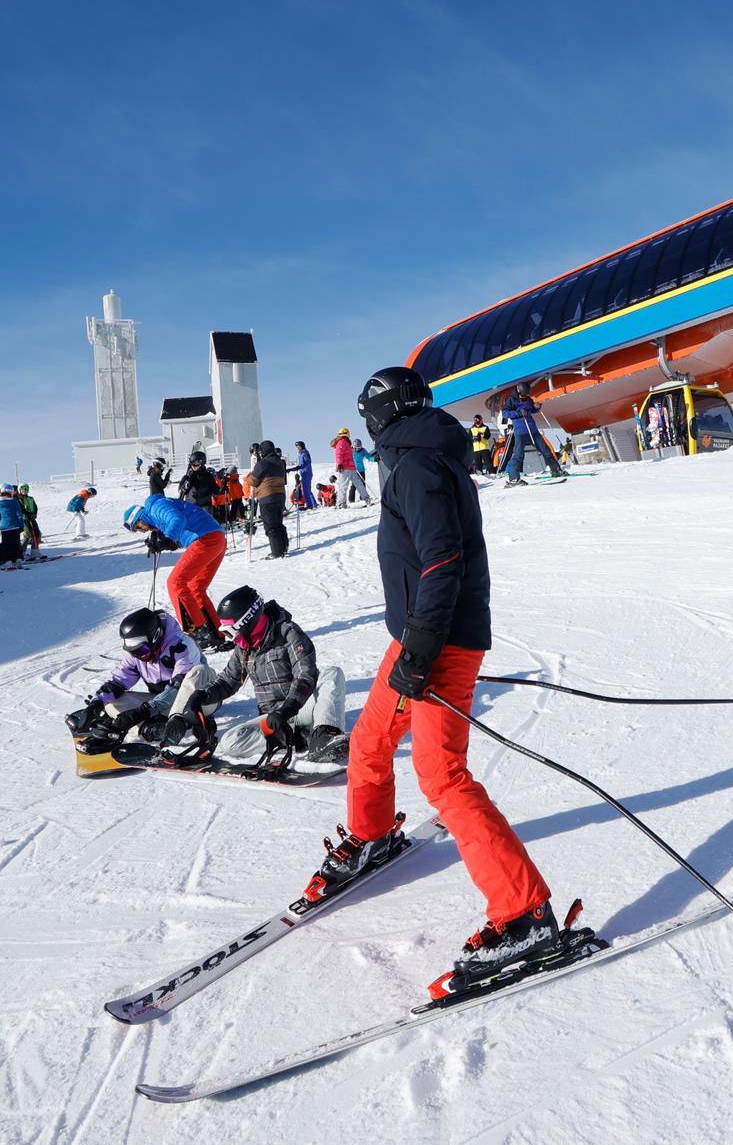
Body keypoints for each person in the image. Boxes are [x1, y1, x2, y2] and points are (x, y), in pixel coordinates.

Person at [304, 367, 560, 995]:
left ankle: (525, 916)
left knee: (442, 776)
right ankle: (369, 837)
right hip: (419, 633)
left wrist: (421, 647)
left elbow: (444, 560)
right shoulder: (419, 453)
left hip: (438, 639)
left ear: (379, 414)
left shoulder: (416, 462)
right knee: (368, 743)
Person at [186, 586, 348, 768]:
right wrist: (202, 696)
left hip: (301, 707)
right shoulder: (244, 647)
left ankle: (325, 736)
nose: (230, 639)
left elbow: (306, 675)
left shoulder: (288, 633)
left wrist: (287, 709)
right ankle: (296, 737)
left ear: (246, 621)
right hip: (273, 719)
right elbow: (227, 681)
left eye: (230, 632)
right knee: (230, 742)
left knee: (332, 673)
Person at [65, 607, 213, 754]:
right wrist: (96, 704)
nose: (138, 656)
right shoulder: (137, 653)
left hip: (197, 702)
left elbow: (178, 690)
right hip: (161, 704)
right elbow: (117, 681)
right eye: (132, 651)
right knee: (112, 702)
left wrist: (141, 712)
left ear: (155, 637)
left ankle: (174, 724)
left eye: (141, 651)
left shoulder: (182, 646)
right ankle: (149, 729)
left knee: (196, 675)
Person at [122, 467, 229, 650]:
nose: (142, 530)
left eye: (138, 528)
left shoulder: (155, 506)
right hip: (216, 538)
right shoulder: (157, 516)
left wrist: (167, 539)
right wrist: (166, 540)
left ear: (139, 518)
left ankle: (196, 632)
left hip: (206, 539)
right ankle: (215, 633)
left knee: (176, 582)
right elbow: (180, 529)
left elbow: (177, 520)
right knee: (196, 587)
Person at [501, 386, 565, 486]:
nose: (525, 396)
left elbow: (531, 410)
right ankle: (513, 479)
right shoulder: (511, 400)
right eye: (523, 395)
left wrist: (536, 407)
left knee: (545, 450)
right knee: (518, 455)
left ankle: (556, 470)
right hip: (520, 431)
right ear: (519, 391)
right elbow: (505, 413)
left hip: (532, 429)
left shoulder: (528, 399)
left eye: (526, 395)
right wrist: (518, 413)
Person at [246, 440, 290, 559]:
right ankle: (284, 547)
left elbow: (252, 481)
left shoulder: (263, 464)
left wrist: (254, 469)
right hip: (280, 495)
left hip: (267, 497)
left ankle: (277, 552)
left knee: (271, 526)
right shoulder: (280, 462)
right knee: (278, 523)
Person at [331, 427, 373, 506]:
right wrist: (339, 463)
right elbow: (338, 454)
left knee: (358, 483)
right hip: (345, 467)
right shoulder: (342, 442)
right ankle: (341, 503)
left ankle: (366, 498)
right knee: (344, 486)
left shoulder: (346, 442)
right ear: (347, 434)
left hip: (351, 467)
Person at [0, 486, 26, 567]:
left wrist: (1, 519)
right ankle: (18, 560)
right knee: (16, 544)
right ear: (10, 492)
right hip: (15, 526)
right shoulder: (14, 500)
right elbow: (19, 514)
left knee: (6, 544)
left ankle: (8, 561)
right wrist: (21, 525)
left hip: (4, 527)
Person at [17, 484, 43, 554]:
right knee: (27, 535)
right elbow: (21, 509)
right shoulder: (18, 499)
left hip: (32, 519)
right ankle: (21, 553)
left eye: (26, 489)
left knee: (37, 534)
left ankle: (35, 552)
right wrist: (28, 514)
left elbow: (35, 507)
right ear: (19, 490)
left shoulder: (30, 498)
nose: (25, 491)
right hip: (24, 519)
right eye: (23, 489)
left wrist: (34, 514)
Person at [292, 442, 318, 509]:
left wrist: (300, 467)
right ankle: (310, 504)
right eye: (296, 447)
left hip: (307, 473)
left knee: (306, 490)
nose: (297, 448)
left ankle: (312, 504)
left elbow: (308, 462)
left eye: (298, 446)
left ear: (301, 446)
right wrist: (298, 467)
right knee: (304, 490)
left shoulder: (305, 453)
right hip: (303, 473)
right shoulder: (301, 454)